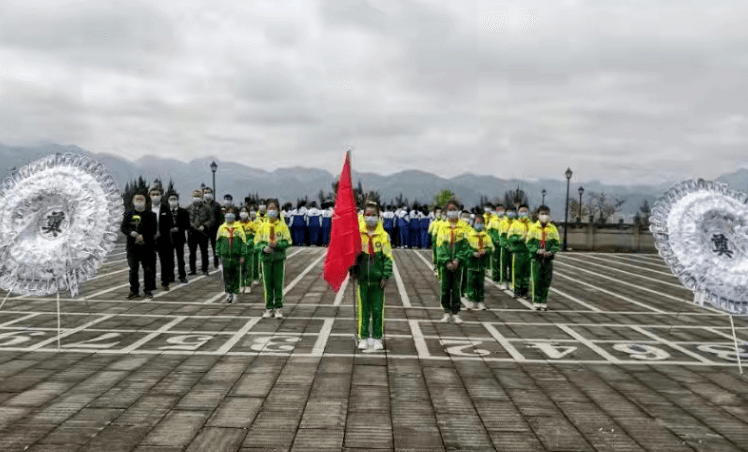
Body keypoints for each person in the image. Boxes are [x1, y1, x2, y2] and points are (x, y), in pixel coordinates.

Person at [349, 202, 393, 351]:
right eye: (368, 215)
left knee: (377, 310)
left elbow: (388, 258)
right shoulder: (358, 236)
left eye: (373, 215)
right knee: (363, 310)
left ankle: (377, 337)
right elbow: (352, 256)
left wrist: (386, 276)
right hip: (363, 280)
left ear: (379, 216)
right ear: (363, 216)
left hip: (377, 282)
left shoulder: (384, 237)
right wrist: (352, 269)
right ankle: (363, 336)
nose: (370, 218)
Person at [435, 199, 472, 324]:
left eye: (454, 210)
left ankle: (456, 312)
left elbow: (466, 246)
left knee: (456, 288)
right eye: (450, 210)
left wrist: (457, 260)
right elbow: (439, 247)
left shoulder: (464, 227)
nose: (452, 212)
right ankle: (446, 312)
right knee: (445, 288)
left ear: (458, 211)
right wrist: (446, 261)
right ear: (446, 212)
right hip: (445, 264)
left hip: (458, 264)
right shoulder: (442, 227)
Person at [255, 199, 293, 319]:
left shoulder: (282, 226)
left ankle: (278, 307)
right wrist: (263, 248)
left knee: (278, 284)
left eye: (274, 209)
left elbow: (288, 241)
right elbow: (256, 243)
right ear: (266, 210)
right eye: (269, 209)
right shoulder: (262, 226)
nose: (272, 211)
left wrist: (278, 245)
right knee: (267, 285)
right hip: (266, 259)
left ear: (278, 211)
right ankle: (269, 307)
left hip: (278, 259)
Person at [121, 190, 157, 299]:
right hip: (133, 247)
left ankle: (148, 290)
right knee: (133, 270)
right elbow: (123, 228)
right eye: (137, 199)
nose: (139, 201)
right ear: (133, 200)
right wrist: (132, 233)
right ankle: (134, 290)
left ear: (145, 201)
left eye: (141, 199)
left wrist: (143, 236)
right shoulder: (128, 214)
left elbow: (153, 229)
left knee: (148, 270)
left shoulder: (151, 215)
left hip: (147, 247)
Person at [526, 205, 560, 311]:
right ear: (538, 215)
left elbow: (556, 243)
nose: (544, 216)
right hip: (537, 258)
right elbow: (529, 243)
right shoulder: (533, 228)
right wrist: (536, 250)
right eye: (542, 214)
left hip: (548, 258)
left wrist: (551, 251)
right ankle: (536, 300)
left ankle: (543, 300)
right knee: (536, 280)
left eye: (546, 214)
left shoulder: (553, 228)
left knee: (546, 280)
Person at [216, 206, 247, 303]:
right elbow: (218, 242)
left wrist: (242, 255)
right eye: (228, 213)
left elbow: (243, 242)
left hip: (236, 257)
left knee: (236, 275)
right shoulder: (222, 228)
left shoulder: (239, 228)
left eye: (232, 213)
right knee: (226, 276)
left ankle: (235, 292)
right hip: (225, 256)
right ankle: (228, 292)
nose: (229, 215)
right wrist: (219, 254)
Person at [464, 213, 494, 310]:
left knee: (480, 283)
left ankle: (480, 301)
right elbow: (465, 248)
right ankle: (472, 301)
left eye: (481, 223)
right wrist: (472, 253)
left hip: (481, 263)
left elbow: (492, 248)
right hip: (471, 263)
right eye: (477, 222)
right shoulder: (469, 235)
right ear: (473, 223)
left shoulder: (486, 236)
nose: (479, 224)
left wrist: (486, 251)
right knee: (471, 282)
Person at [150, 186, 174, 292]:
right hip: (150, 239)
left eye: (157, 194)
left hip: (163, 239)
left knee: (164, 262)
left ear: (161, 196)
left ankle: (165, 282)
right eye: (153, 194)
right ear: (149, 196)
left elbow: (170, 223)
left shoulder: (165, 208)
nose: (155, 196)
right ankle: (151, 283)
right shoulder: (146, 208)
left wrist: (161, 232)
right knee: (150, 262)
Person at [507, 204, 533, 300]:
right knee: (517, 271)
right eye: (521, 211)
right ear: (518, 213)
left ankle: (525, 291)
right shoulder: (514, 224)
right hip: (518, 251)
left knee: (527, 272)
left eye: (525, 211)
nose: (524, 213)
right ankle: (517, 290)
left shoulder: (532, 224)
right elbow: (510, 237)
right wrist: (520, 238)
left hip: (528, 251)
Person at [188, 189, 214, 276]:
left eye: (198, 196)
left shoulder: (207, 208)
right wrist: (191, 225)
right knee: (192, 252)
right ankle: (192, 270)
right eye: (195, 196)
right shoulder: (188, 208)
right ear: (192, 197)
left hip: (203, 233)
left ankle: (205, 269)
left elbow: (211, 219)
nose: (196, 198)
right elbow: (186, 220)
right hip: (192, 233)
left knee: (204, 252)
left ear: (201, 197)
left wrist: (205, 226)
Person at [166, 191, 190, 284]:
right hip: (169, 238)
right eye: (171, 199)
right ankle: (170, 276)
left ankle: (182, 276)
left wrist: (179, 228)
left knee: (180, 258)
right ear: (168, 201)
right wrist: (169, 229)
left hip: (180, 237)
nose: (173, 201)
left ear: (178, 200)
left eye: (174, 199)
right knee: (169, 258)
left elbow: (187, 225)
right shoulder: (165, 212)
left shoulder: (184, 212)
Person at [238, 205, 258, 293]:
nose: (243, 213)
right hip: (239, 250)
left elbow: (255, 236)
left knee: (249, 268)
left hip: (249, 250)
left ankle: (248, 284)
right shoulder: (237, 225)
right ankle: (241, 284)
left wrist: (249, 243)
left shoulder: (252, 225)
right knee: (240, 269)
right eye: (242, 211)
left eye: (245, 211)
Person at [203, 187, 223, 269]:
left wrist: (220, 229)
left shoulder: (216, 205)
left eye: (209, 192)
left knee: (215, 248)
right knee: (204, 249)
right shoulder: (201, 205)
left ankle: (216, 263)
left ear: (212, 194)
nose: (207, 194)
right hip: (204, 230)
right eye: (206, 192)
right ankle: (205, 265)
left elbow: (220, 218)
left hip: (214, 230)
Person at [498, 206, 515, 290]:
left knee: (513, 265)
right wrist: (506, 246)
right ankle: (503, 281)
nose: (510, 213)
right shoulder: (502, 223)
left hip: (514, 248)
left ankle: (512, 282)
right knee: (503, 265)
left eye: (511, 211)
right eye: (508, 211)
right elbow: (501, 236)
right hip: (504, 248)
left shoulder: (516, 223)